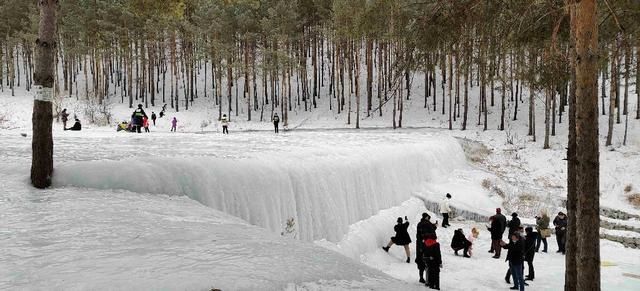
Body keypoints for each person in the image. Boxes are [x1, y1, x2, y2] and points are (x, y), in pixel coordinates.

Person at [416, 213, 438, 283]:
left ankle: (421, 277)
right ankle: (429, 280)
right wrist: (435, 226)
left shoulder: (420, 223)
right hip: (428, 244)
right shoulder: (428, 224)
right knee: (428, 260)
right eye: (428, 217)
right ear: (427, 217)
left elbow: (419, 235)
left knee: (421, 260)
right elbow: (431, 232)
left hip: (420, 244)